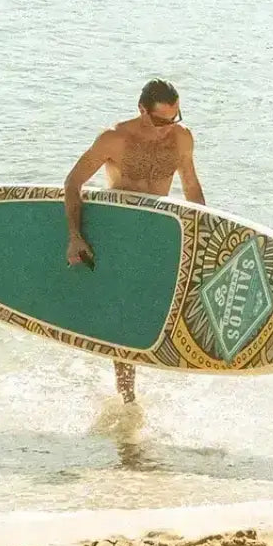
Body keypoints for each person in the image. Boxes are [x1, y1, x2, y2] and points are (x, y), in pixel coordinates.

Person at [64, 79, 205, 404]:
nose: (167, 128)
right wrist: (75, 236)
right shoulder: (114, 139)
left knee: (161, 304)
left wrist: (203, 233)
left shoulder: (180, 139)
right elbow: (73, 183)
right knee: (124, 311)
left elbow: (192, 188)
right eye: (160, 121)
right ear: (142, 110)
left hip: (158, 229)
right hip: (119, 231)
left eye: (175, 118)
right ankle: (128, 397)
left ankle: (173, 369)